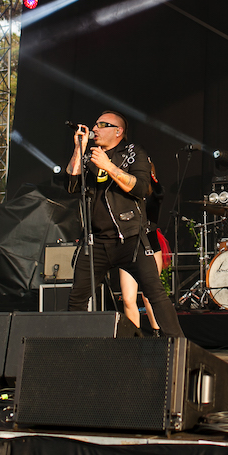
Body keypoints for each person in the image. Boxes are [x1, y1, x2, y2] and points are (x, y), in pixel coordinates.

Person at [67, 111, 183, 337]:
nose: (95, 129)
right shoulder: (89, 156)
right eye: (95, 124)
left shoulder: (133, 152)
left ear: (118, 131)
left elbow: (141, 188)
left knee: (154, 293)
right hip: (96, 241)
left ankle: (178, 345)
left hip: (129, 238)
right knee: (77, 298)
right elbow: (71, 185)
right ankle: (76, 349)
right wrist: (78, 149)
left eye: (102, 124)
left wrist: (108, 166)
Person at [118, 162, 170, 336]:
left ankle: (157, 335)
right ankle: (135, 338)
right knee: (128, 298)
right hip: (129, 246)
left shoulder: (154, 192)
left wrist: (150, 175)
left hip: (150, 244)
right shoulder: (125, 190)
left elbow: (159, 192)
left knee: (149, 296)